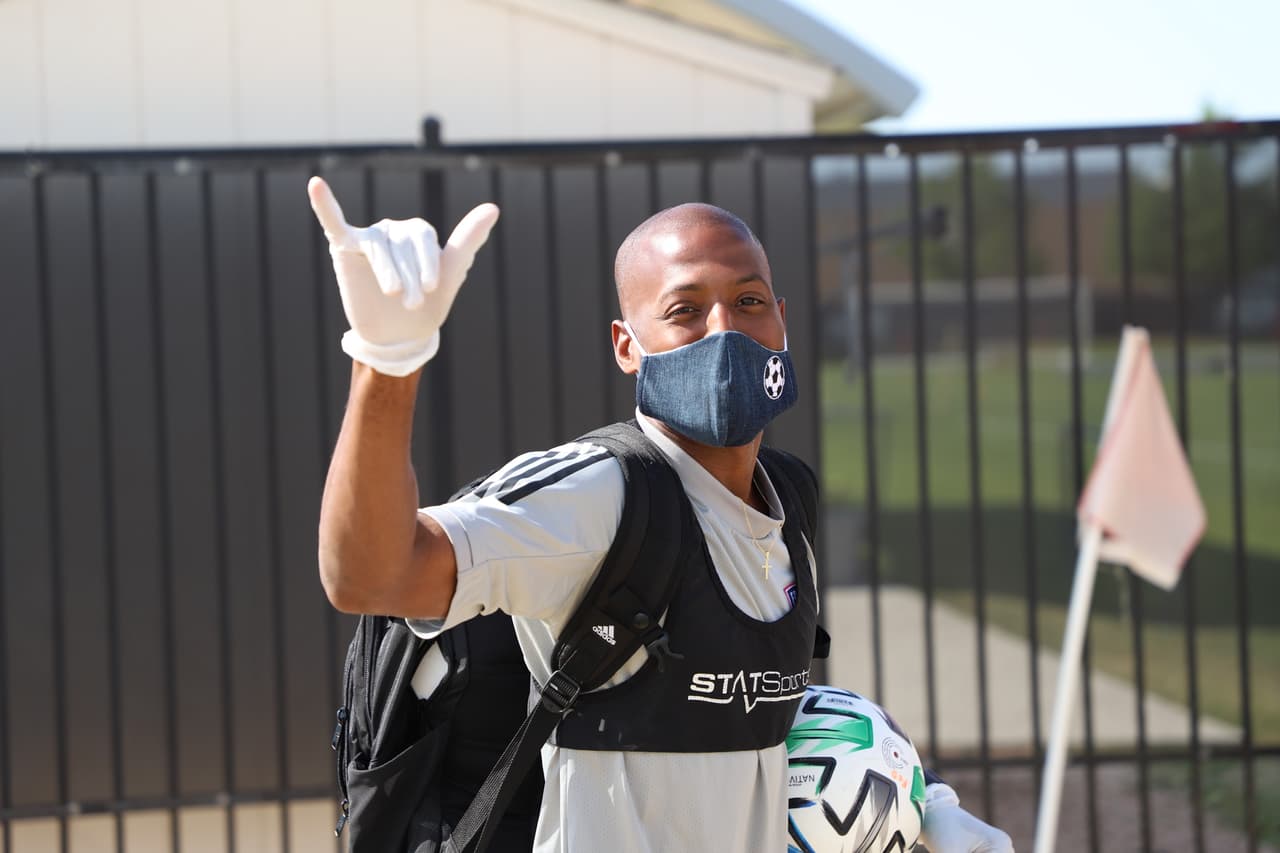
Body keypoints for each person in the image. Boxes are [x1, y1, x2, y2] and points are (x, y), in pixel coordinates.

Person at [309, 176, 1013, 853]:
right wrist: (388, 361)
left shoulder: (786, 497)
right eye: (684, 311)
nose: (725, 332)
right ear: (626, 345)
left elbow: (751, 705)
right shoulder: (602, 497)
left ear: (782, 321)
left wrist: (924, 805)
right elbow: (374, 575)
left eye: (748, 300)